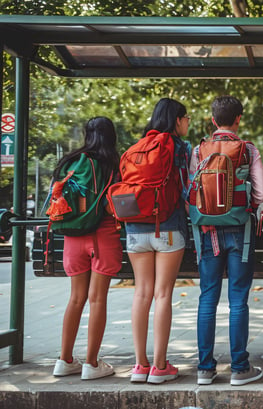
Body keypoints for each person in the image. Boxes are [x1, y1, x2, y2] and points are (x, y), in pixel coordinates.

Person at [189, 96, 263, 386]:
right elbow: (260, 195)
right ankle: (239, 367)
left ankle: (205, 369)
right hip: (239, 231)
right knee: (238, 300)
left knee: (207, 297)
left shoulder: (199, 150)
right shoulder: (247, 150)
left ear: (213, 121)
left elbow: (191, 188)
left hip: (207, 232)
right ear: (238, 119)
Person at [51, 117, 122, 380]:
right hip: (103, 235)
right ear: (111, 136)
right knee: (97, 299)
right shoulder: (113, 164)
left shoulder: (70, 161)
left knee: (76, 299)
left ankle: (64, 360)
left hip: (72, 236)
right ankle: (91, 364)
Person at [127, 98, 191, 384]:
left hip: (135, 227)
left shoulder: (138, 146)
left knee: (142, 293)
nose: (188, 123)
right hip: (168, 227)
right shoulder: (179, 148)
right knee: (163, 294)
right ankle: (160, 365)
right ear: (177, 120)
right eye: (186, 118)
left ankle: (140, 365)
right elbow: (187, 187)